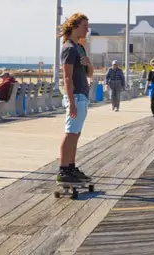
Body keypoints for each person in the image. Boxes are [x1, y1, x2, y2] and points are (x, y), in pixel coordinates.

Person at [56, 13, 93, 185]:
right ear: (75, 26)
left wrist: (89, 64)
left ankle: (71, 167)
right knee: (70, 133)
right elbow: (67, 77)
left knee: (76, 134)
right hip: (76, 96)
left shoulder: (80, 47)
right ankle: (63, 170)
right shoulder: (69, 48)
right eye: (85, 26)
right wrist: (71, 102)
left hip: (82, 95)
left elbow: (89, 74)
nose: (87, 30)